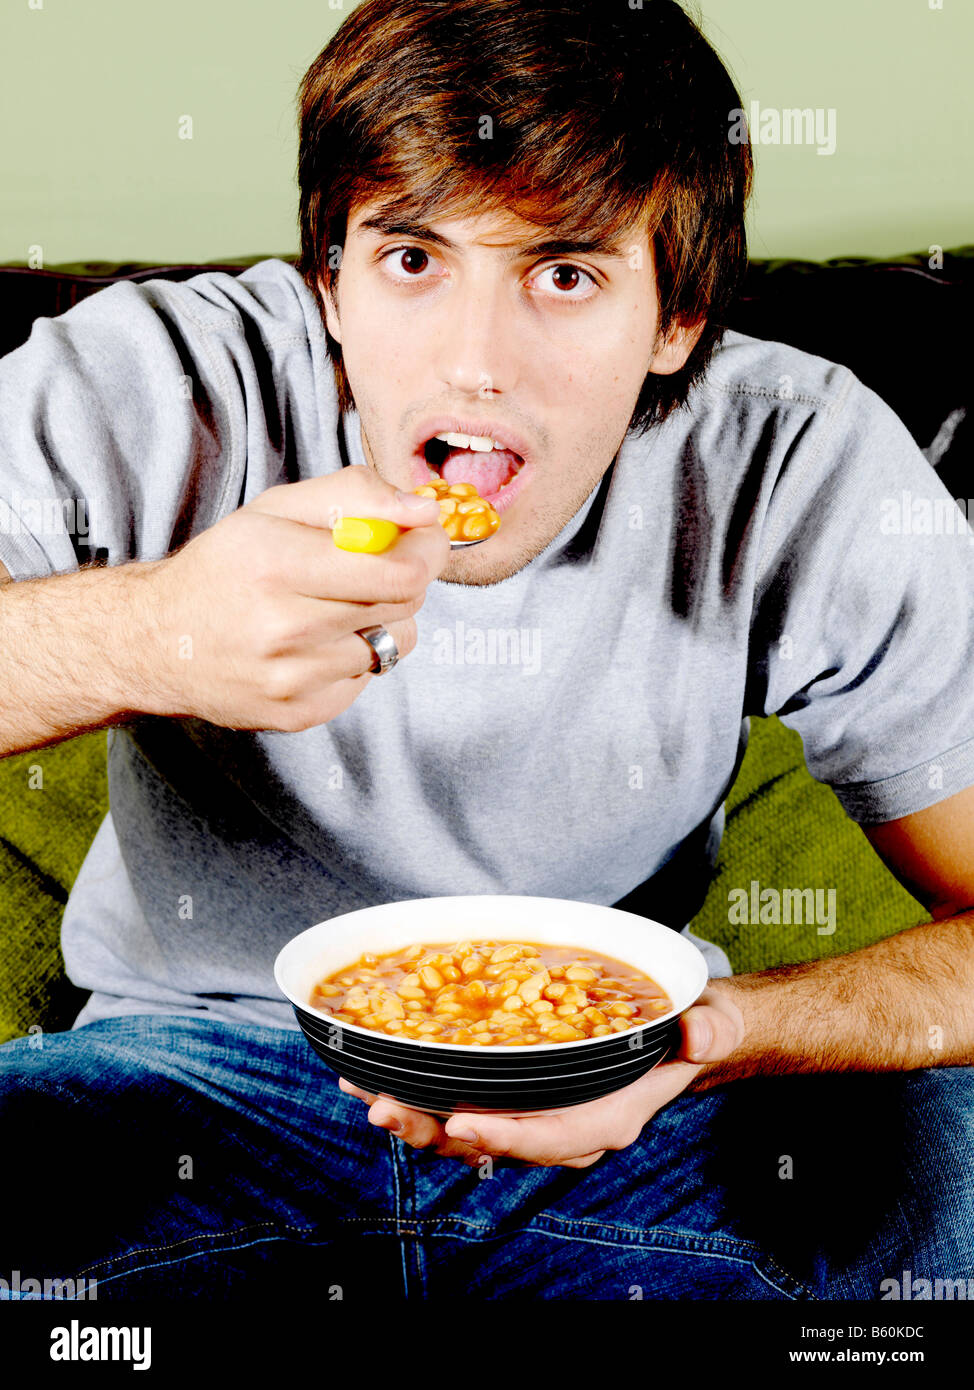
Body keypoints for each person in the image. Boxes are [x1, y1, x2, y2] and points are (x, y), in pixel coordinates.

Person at [0, 0, 972, 1302]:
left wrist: (711, 1034)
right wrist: (149, 630)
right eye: (411, 259)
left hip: (629, 1095)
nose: (474, 364)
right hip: (185, 1072)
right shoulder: (159, 382)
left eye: (563, 273)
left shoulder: (791, 460)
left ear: (676, 318)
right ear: (329, 279)